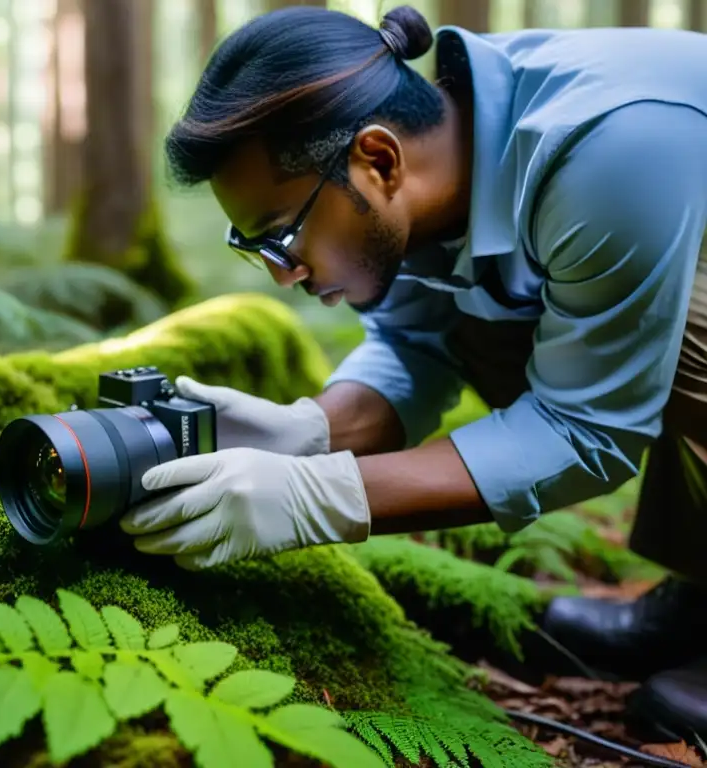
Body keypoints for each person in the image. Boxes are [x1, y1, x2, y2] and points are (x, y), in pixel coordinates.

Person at [116, 4, 707, 741]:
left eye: (282, 235)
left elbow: (587, 425)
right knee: (499, 319)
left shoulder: (604, 146)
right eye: (256, 248)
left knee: (684, 325)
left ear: (379, 159)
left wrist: (314, 499)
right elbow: (415, 347)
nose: (282, 274)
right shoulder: (434, 174)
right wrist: (308, 431)